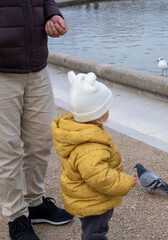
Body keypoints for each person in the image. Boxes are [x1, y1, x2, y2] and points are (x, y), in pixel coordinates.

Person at [0, 0, 73, 239]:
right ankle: (16, 217)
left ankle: (34, 202)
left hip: (37, 67)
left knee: (42, 139)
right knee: (7, 149)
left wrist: (52, 14)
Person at [52, 71, 138, 240]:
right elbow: (100, 177)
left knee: (93, 229)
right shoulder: (91, 147)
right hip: (92, 201)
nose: (108, 112)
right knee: (95, 232)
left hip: (86, 197)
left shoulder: (77, 132)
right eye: (106, 109)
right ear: (98, 116)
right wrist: (126, 181)